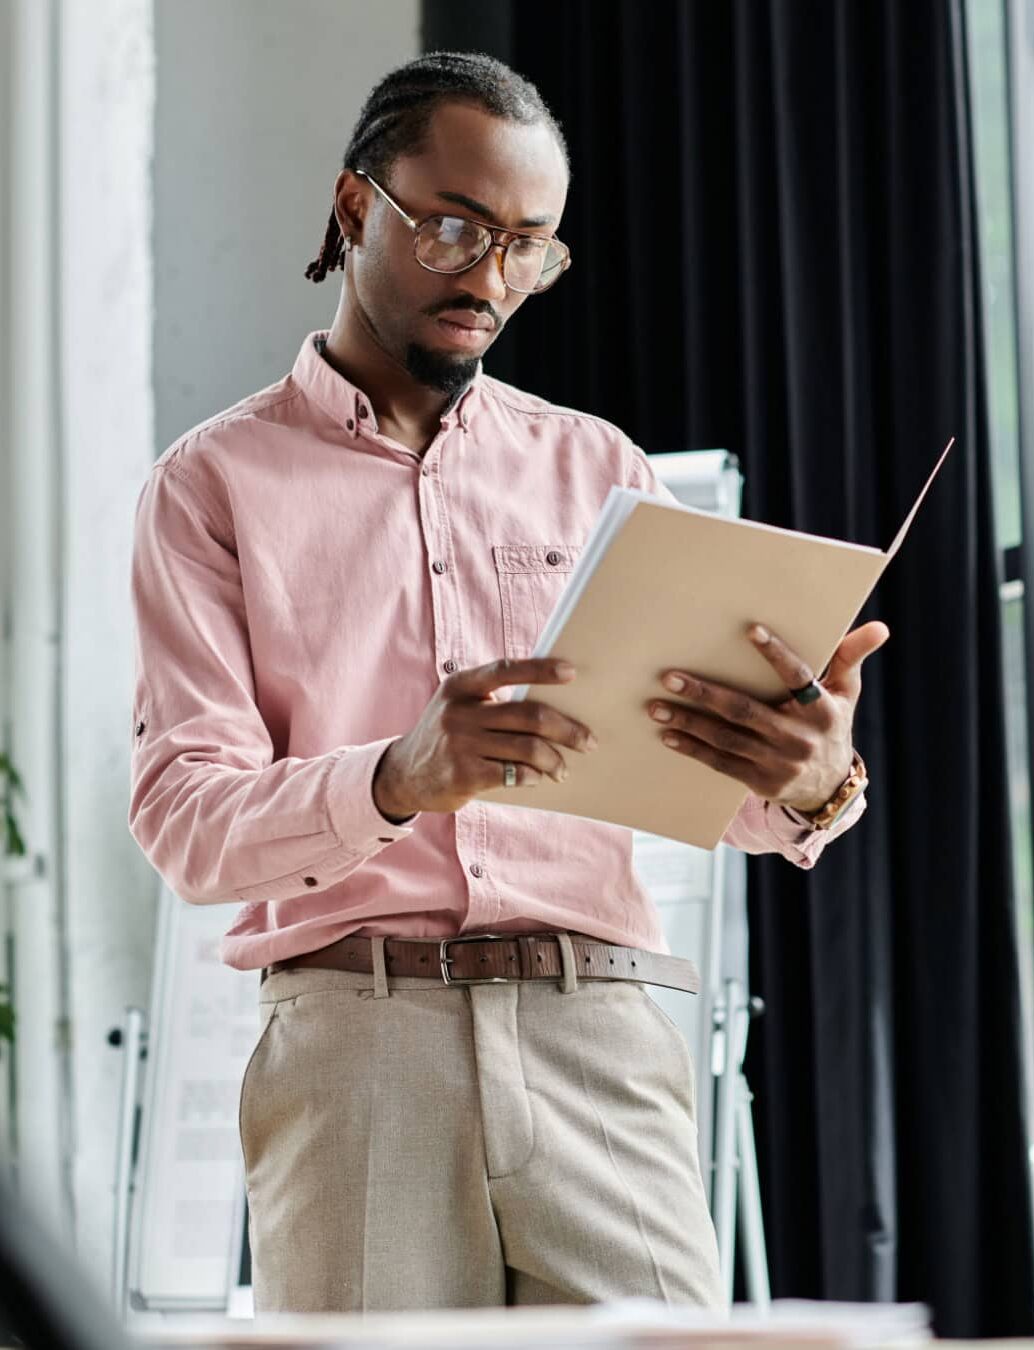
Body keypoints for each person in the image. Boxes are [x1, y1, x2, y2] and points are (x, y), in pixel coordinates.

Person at [127, 51, 883, 1314]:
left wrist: (813, 780)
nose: (489, 278)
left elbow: (711, 786)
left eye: (529, 245)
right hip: (356, 1049)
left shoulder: (602, 471)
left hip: (604, 1040)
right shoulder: (211, 489)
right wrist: (396, 777)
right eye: (456, 229)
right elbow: (189, 826)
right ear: (358, 206)